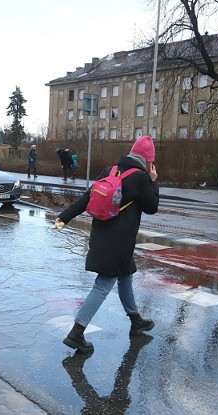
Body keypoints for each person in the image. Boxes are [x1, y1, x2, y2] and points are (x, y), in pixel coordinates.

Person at [55, 135, 159, 353]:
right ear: (149, 161)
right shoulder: (140, 177)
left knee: (126, 275)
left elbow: (87, 198)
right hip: (119, 242)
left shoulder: (109, 171)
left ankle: (135, 319)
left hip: (101, 236)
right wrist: (153, 180)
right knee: (103, 285)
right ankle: (77, 332)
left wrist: (64, 216)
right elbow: (152, 207)